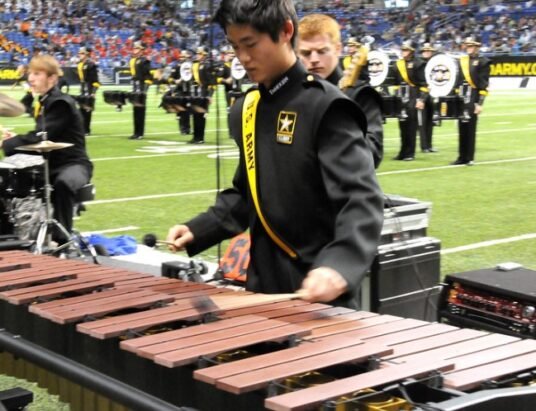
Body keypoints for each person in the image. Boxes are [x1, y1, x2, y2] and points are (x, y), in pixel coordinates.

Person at [166, 0, 384, 308]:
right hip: (261, 287)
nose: (242, 58)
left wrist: (340, 265)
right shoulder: (246, 108)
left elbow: (361, 199)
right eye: (234, 46)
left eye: (250, 44)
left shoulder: (326, 107)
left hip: (320, 292)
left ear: (285, 31)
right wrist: (199, 229)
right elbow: (247, 193)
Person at [1, 54, 93, 244]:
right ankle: (15, 235)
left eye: (36, 74)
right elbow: (39, 136)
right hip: (51, 163)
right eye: (30, 73)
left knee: (63, 183)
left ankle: (63, 241)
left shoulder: (61, 103)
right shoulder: (45, 101)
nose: (30, 78)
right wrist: (15, 140)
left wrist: (8, 143)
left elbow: (42, 136)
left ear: (52, 78)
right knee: (11, 178)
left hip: (73, 164)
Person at [297, 13, 383, 168]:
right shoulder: (293, 93)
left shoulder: (359, 95)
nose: (314, 59)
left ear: (337, 49)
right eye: (306, 53)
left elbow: (373, 155)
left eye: (322, 51)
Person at [451, 36, 490, 166]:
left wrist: (479, 103)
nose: (469, 48)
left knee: (470, 128)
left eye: (471, 46)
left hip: (473, 96)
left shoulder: (483, 61)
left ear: (477, 47)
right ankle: (461, 156)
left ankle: (469, 157)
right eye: (467, 46)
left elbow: (484, 85)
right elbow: (458, 80)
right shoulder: (462, 61)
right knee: (461, 126)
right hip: (462, 95)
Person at [391, 40, 429, 161]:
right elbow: (396, 83)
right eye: (402, 49)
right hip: (401, 96)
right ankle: (402, 152)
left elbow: (424, 84)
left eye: (406, 50)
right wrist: (396, 96)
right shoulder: (398, 64)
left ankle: (410, 153)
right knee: (402, 124)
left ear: (412, 51)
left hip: (414, 95)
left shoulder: (419, 64)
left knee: (411, 126)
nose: (403, 52)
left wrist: (421, 100)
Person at [128, 41, 153, 140]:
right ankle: (135, 132)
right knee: (135, 111)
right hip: (135, 88)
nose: (135, 50)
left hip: (141, 88)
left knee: (140, 112)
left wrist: (145, 90)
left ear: (142, 50)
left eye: (137, 48)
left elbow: (149, 76)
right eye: (134, 48)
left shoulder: (144, 61)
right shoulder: (133, 60)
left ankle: (140, 133)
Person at [189, 47, 213, 144]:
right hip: (195, 93)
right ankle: (195, 137)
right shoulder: (195, 65)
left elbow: (211, 83)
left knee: (201, 116)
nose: (198, 55)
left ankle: (200, 138)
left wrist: (209, 95)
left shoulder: (207, 66)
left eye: (200, 54)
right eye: (197, 53)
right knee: (194, 115)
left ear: (204, 55)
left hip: (203, 93)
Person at [76, 47, 100, 136]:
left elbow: (96, 81)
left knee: (87, 110)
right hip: (82, 90)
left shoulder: (91, 65)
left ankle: (86, 130)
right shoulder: (79, 64)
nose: (80, 55)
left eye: (82, 53)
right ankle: (82, 129)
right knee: (81, 111)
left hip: (89, 89)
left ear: (87, 54)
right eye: (79, 53)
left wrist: (93, 92)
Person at [419, 42, 438, 153]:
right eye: (425, 51)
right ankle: (424, 146)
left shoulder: (435, 63)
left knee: (430, 121)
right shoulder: (419, 63)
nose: (426, 52)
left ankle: (429, 145)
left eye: (428, 51)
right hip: (422, 94)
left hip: (432, 94)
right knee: (423, 121)